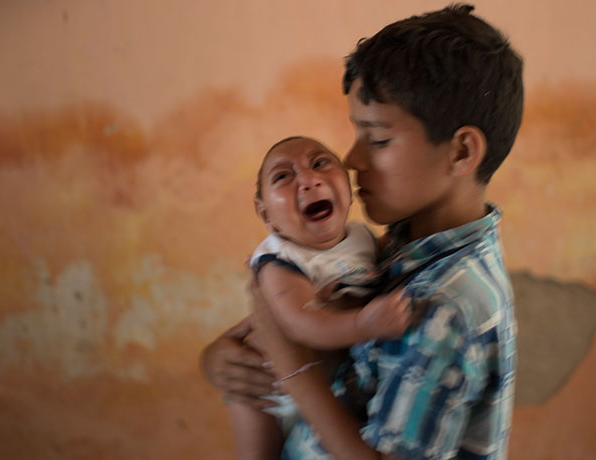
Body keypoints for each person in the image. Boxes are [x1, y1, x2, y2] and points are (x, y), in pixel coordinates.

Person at [203, 4, 523, 459]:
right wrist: (221, 360)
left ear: (460, 152)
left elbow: (295, 354)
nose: (352, 159)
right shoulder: (398, 245)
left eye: (378, 139)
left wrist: (293, 369)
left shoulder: (444, 308)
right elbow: (285, 329)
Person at [230, 136, 413, 459]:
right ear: (266, 213)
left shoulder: (362, 237)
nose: (308, 179)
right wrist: (363, 324)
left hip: (323, 384)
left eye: (320, 163)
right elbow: (301, 322)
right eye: (283, 176)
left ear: (347, 186)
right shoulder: (280, 260)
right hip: (269, 389)